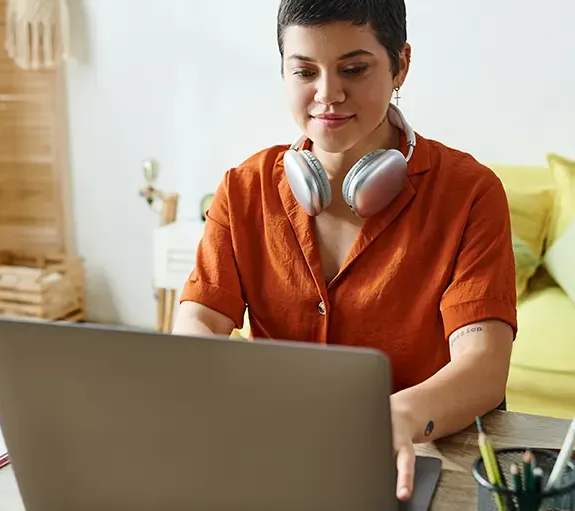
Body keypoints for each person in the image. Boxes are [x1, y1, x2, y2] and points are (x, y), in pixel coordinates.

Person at [173, 0, 517, 502]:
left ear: (401, 64)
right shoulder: (243, 189)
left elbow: (483, 366)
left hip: (419, 458)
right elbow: (198, 322)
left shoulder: (470, 193)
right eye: (305, 72)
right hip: (280, 454)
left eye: (354, 69)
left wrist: (396, 418)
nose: (328, 95)